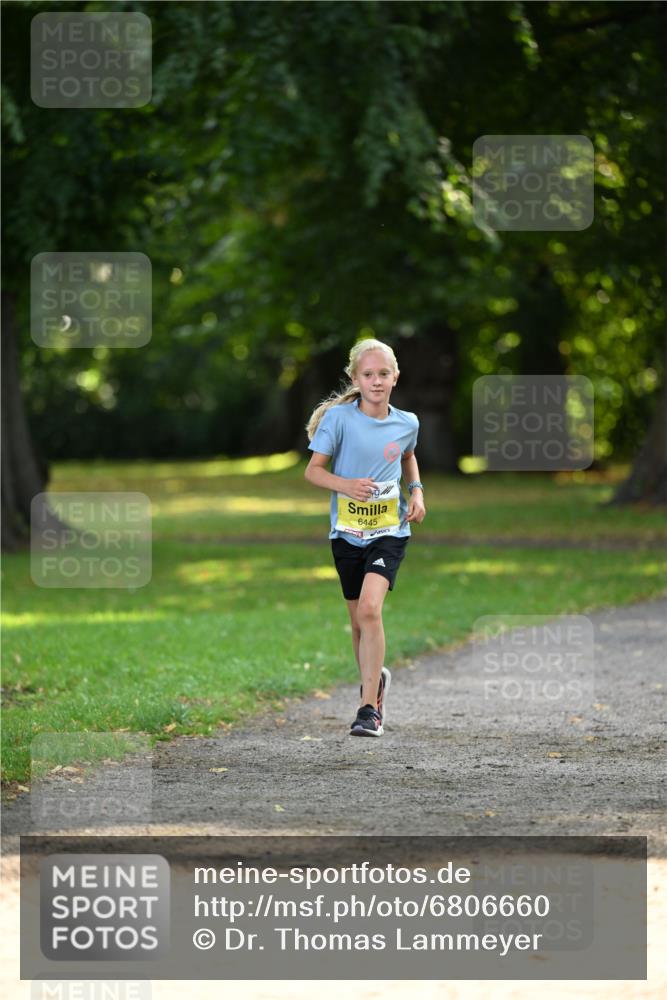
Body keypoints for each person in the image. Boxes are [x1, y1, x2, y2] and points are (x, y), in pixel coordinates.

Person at [304, 338, 426, 737]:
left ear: (395, 377)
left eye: (383, 374)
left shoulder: (407, 422)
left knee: (371, 610)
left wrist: (417, 491)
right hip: (347, 534)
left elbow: (407, 455)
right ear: (355, 378)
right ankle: (374, 684)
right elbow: (313, 471)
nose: (376, 381)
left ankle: (368, 708)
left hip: (389, 531)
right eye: (368, 375)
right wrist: (347, 485)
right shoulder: (338, 421)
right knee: (358, 622)